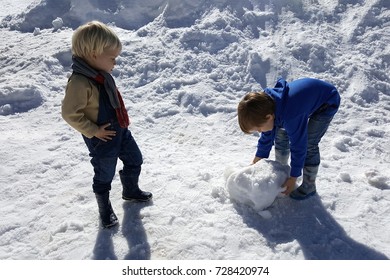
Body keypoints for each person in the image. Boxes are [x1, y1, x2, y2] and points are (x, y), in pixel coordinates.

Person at [62, 21, 152, 228]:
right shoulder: (79, 82)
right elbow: (69, 113)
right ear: (94, 54)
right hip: (101, 138)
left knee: (135, 159)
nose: (115, 63)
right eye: (112, 58)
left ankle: (130, 191)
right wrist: (93, 131)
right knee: (104, 175)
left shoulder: (101, 77)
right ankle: (105, 211)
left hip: (120, 130)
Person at [237, 77, 340, 200]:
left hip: (327, 102)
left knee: (309, 144)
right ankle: (282, 171)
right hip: (297, 104)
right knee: (281, 136)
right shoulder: (266, 106)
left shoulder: (291, 116)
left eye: (258, 128)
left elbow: (299, 145)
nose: (259, 132)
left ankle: (309, 185)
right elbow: (267, 136)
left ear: (269, 117)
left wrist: (294, 177)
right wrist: (255, 163)